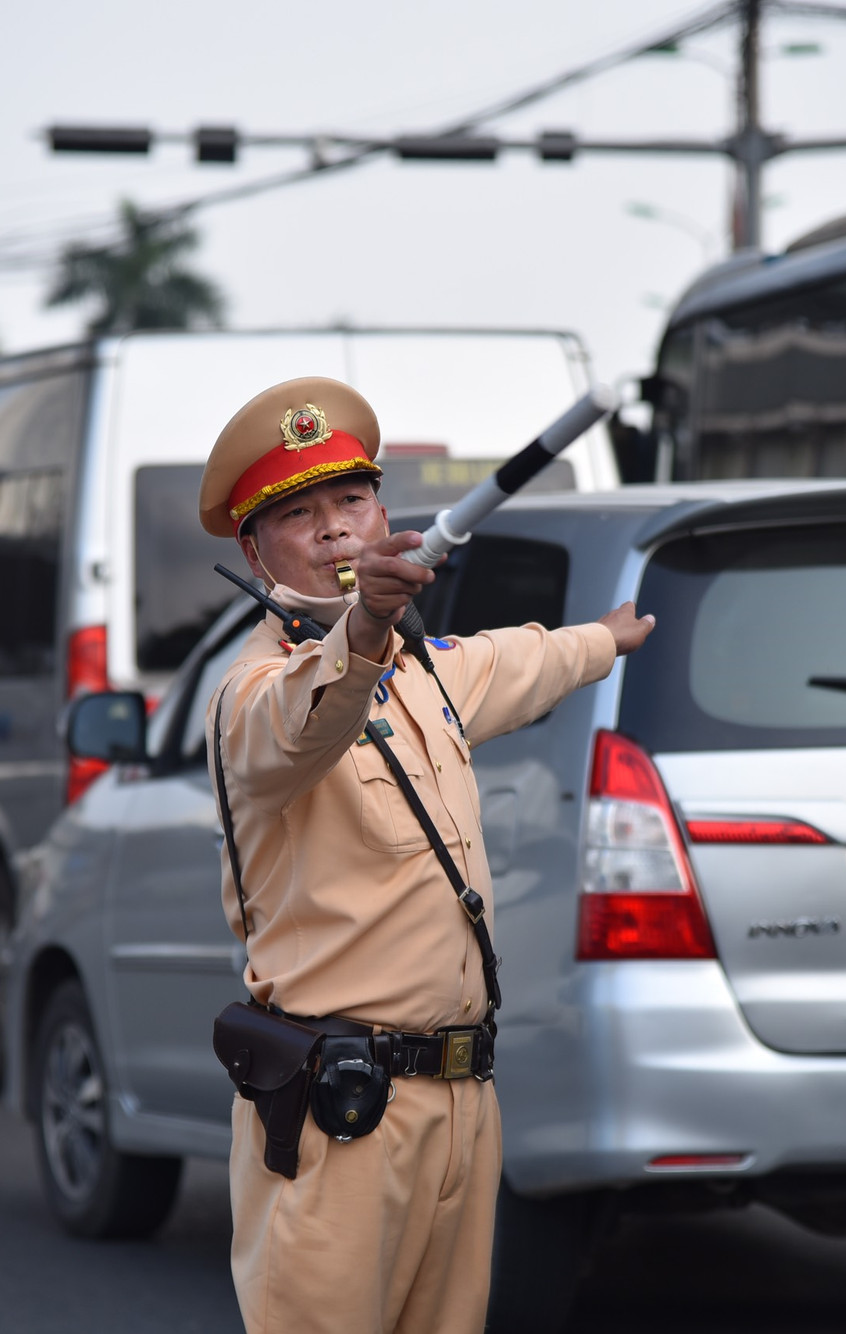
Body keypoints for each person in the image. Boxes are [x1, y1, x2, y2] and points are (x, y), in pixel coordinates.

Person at [199, 378, 655, 1333]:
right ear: (252, 549)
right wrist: (363, 628)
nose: (333, 533)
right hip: (340, 1110)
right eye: (298, 515)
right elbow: (308, 719)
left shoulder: (425, 676)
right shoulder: (250, 698)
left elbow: (520, 662)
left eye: (350, 503)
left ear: (384, 515)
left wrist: (605, 641)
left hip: (459, 1099)